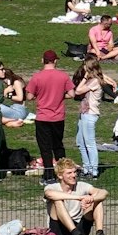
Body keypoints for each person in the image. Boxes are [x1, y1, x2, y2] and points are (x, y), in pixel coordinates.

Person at [28, 49, 74, 183]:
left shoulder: (37, 77)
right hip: (58, 117)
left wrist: (39, 95)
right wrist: (60, 96)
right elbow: (72, 94)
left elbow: (29, 96)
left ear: (42, 61)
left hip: (43, 117)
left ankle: (48, 175)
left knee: (45, 148)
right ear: (55, 61)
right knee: (58, 146)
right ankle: (65, 173)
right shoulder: (63, 76)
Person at [43, 159, 110, 235]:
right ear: (60, 175)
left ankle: (100, 234)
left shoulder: (82, 185)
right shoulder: (52, 187)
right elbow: (49, 194)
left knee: (97, 200)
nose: (74, 175)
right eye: (69, 173)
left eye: (75, 172)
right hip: (59, 231)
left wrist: (91, 199)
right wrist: (80, 198)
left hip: (79, 229)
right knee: (57, 201)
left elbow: (104, 192)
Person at [71, 58, 105, 178]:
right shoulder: (91, 80)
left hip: (90, 114)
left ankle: (93, 170)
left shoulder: (94, 81)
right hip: (84, 114)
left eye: (85, 66)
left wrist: (85, 77)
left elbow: (78, 91)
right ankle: (86, 168)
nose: (83, 67)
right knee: (80, 142)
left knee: (89, 143)